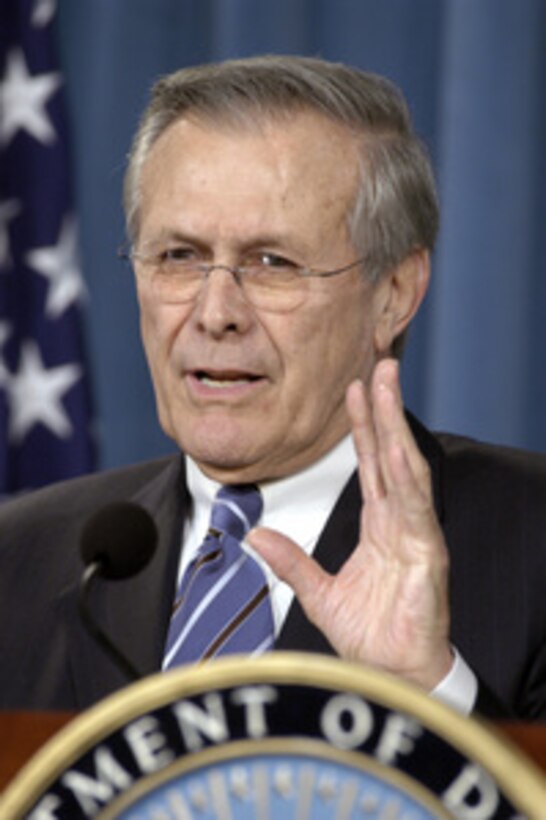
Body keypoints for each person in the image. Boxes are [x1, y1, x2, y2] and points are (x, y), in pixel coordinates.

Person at [0, 55, 545, 718]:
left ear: (394, 295)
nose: (215, 312)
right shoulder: (20, 560)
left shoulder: (532, 549)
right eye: (179, 256)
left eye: (272, 263)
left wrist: (429, 696)